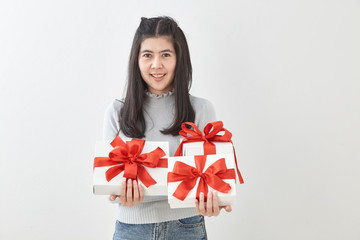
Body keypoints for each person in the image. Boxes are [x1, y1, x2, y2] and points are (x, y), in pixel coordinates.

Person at [103, 16, 232, 240]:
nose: (156, 65)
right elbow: (107, 180)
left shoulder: (201, 110)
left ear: (178, 59)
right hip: (131, 228)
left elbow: (214, 178)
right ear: (136, 60)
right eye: (147, 55)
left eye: (165, 54)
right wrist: (118, 193)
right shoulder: (116, 112)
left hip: (186, 227)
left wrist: (215, 200)